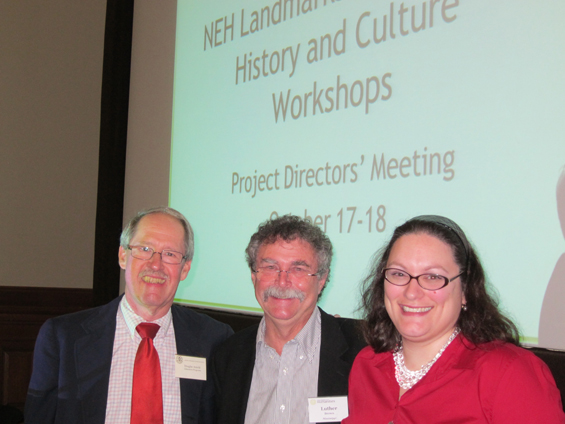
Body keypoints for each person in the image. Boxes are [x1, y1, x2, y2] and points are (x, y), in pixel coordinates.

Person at [343, 215, 565, 424]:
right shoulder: (367, 365)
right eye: (399, 274)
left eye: (433, 277)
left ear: (466, 289)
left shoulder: (509, 374)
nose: (411, 292)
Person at [25, 207, 233, 424]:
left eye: (170, 254)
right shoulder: (64, 338)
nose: (155, 264)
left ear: (185, 269)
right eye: (144, 249)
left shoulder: (213, 340)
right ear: (123, 256)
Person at [211, 215, 365, 424]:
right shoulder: (227, 357)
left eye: (298, 269)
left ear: (321, 280)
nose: (282, 282)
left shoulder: (363, 351)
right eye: (270, 267)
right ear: (253, 276)